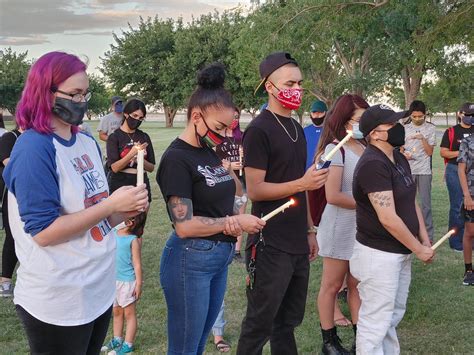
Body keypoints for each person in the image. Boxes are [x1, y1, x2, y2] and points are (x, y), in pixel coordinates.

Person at [2, 51, 149, 354]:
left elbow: (94, 220)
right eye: (74, 94)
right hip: (59, 299)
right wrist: (110, 206)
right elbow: (44, 232)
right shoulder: (33, 148)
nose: (82, 101)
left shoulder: (86, 142)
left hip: (96, 289)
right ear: (45, 93)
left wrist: (123, 210)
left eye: (85, 93)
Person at [156, 63, 265, 355]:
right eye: (219, 128)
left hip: (217, 258)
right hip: (189, 259)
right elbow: (185, 225)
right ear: (195, 116)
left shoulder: (208, 151)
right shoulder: (176, 160)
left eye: (228, 128)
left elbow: (236, 192)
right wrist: (229, 223)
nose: (224, 135)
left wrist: (230, 171)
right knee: (185, 348)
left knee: (199, 343)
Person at [236, 52, 328, 355]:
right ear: (270, 87)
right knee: (259, 324)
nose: (297, 89)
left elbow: (298, 186)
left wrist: (310, 230)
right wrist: (302, 183)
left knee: (287, 322)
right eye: (290, 83)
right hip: (269, 242)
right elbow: (256, 189)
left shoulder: (296, 128)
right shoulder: (259, 130)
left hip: (297, 241)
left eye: (300, 83)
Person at [350, 104, 434, 354]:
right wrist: (418, 249)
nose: (400, 128)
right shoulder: (372, 165)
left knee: (391, 317)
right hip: (379, 255)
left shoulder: (397, 157)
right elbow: (388, 218)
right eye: (392, 124)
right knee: (375, 322)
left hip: (400, 252)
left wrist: (425, 239)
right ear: (375, 133)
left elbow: (411, 202)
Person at [314, 94, 368, 354]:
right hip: (339, 227)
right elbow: (332, 195)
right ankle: (329, 341)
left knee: (357, 285)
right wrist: (369, 203)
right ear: (346, 121)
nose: (364, 123)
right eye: (359, 119)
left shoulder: (365, 147)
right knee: (332, 285)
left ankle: (361, 338)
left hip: (361, 228)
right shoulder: (335, 149)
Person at [102, 212, 146, 354]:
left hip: (127, 282)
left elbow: (137, 264)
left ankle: (128, 345)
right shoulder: (113, 232)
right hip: (113, 281)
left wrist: (138, 284)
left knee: (129, 314)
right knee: (116, 311)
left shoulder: (132, 240)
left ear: (131, 222)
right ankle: (117, 339)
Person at [440, 102, 474, 251]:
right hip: (454, 170)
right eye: (468, 115)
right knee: (457, 206)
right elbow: (443, 152)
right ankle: (456, 242)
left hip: (472, 172)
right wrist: (464, 153)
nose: (470, 118)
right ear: (460, 114)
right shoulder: (451, 131)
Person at [107, 98, 155, 202]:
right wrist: (131, 154)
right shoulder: (114, 137)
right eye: (134, 116)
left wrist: (140, 159)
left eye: (141, 118)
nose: (137, 120)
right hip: (120, 183)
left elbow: (151, 168)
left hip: (141, 182)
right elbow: (114, 168)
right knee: (121, 218)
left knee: (141, 217)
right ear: (126, 114)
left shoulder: (144, 136)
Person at [402, 100, 436, 242]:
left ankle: (428, 236)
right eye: (414, 116)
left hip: (424, 171)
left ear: (424, 115)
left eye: (420, 116)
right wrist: (404, 153)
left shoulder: (430, 128)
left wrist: (423, 139)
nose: (417, 119)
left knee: (425, 205)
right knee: (407, 203)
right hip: (408, 170)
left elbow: (429, 152)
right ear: (410, 115)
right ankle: (409, 233)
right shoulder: (404, 128)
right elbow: (400, 148)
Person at [215, 107, 246, 262]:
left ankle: (237, 250)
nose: (234, 120)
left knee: (240, 212)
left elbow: (251, 159)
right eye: (232, 116)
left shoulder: (242, 136)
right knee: (226, 212)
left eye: (237, 117)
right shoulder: (217, 137)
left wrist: (243, 162)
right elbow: (214, 161)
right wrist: (230, 167)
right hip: (223, 180)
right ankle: (224, 243)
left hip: (241, 180)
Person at [0, 126, 23, 297]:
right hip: (13, 194)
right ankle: (5, 281)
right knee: (12, 235)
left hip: (34, 191)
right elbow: (9, 162)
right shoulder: (10, 137)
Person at [457, 118, 474, 286]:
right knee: (470, 232)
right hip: (472, 193)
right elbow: (461, 171)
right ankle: (469, 270)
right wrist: (466, 196)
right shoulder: (467, 142)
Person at [304, 100, 327, 170]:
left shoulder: (331, 131)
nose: (317, 115)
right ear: (310, 114)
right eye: (314, 113)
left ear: (325, 113)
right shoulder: (304, 131)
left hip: (324, 172)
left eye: (320, 112)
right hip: (305, 174)